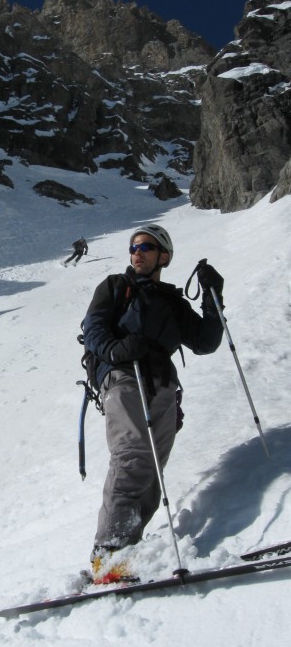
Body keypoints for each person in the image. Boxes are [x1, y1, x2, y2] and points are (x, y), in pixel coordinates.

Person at [82, 224, 224, 582]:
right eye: (133, 247)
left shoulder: (173, 302)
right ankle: (108, 555)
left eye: (145, 246)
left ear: (164, 255)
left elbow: (205, 341)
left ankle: (128, 552)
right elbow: (94, 326)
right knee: (132, 457)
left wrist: (212, 295)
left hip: (162, 388)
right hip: (125, 377)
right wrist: (116, 349)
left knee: (152, 472)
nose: (137, 252)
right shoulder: (116, 287)